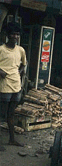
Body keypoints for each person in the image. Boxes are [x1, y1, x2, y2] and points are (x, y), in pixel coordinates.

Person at [0, 22, 27, 150]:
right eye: (13, 34)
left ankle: (11, 139)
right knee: (2, 115)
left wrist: (19, 73)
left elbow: (23, 64)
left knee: (11, 114)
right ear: (7, 35)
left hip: (16, 85)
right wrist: (1, 72)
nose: (15, 36)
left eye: (17, 34)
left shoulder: (21, 50)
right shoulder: (1, 49)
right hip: (4, 86)